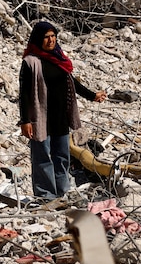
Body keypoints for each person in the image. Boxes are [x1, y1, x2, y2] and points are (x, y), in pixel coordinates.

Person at [17, 21, 106, 200]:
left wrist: (92, 95)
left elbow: (73, 84)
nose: (50, 40)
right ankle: (46, 195)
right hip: (40, 119)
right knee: (42, 157)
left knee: (62, 156)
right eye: (46, 37)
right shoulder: (30, 62)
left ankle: (62, 191)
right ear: (38, 39)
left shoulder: (59, 59)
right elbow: (24, 94)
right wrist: (25, 121)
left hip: (60, 117)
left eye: (53, 36)